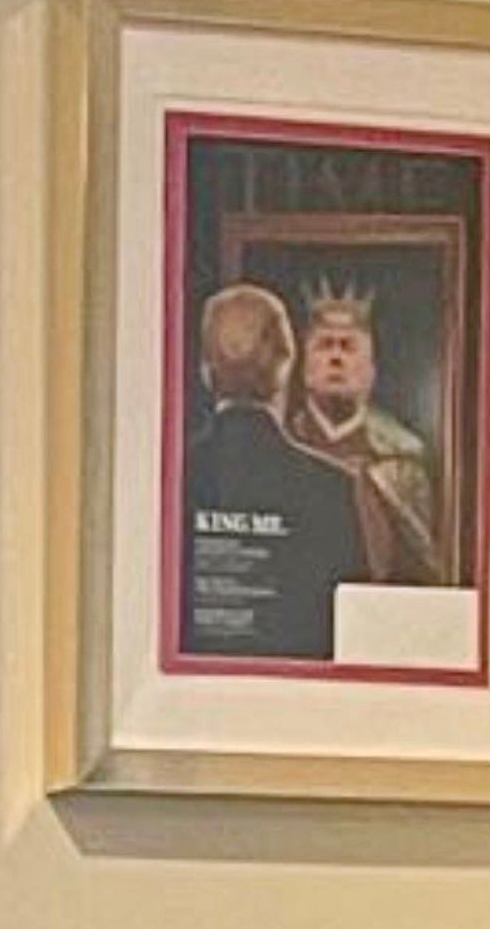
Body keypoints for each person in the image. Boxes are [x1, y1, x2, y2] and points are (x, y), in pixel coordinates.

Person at [185, 282, 367, 659]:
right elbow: (352, 638)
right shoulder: (331, 490)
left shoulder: (163, 486)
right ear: (286, 366)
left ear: (205, 370)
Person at [291, 279, 440, 584]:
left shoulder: (402, 457)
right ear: (304, 367)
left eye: (348, 347)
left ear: (371, 371)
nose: (336, 358)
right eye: (324, 345)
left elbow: (424, 566)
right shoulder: (282, 442)